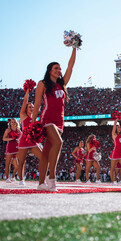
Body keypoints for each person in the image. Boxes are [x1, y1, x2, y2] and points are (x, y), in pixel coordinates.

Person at [32, 48, 76, 191]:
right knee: (59, 142)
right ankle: (52, 179)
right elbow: (37, 103)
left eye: (59, 68)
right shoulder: (43, 84)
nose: (59, 70)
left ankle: (40, 184)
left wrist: (74, 47)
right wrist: (33, 122)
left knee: (46, 152)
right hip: (47, 119)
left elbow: (71, 66)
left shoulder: (62, 84)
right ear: (50, 70)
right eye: (56, 68)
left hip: (60, 121)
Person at [17, 90, 42, 186]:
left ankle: (44, 177)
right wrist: (27, 91)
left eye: (32, 107)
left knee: (43, 157)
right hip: (24, 140)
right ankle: (21, 180)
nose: (31, 108)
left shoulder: (35, 118)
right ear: (26, 109)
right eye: (29, 107)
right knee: (22, 161)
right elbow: (24, 102)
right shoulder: (23, 116)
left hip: (33, 141)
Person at [109, 119, 121, 186]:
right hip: (115, 153)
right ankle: (113, 181)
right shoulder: (114, 135)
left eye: (120, 127)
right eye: (118, 127)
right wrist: (116, 120)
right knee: (113, 168)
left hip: (120, 154)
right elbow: (114, 127)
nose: (119, 128)